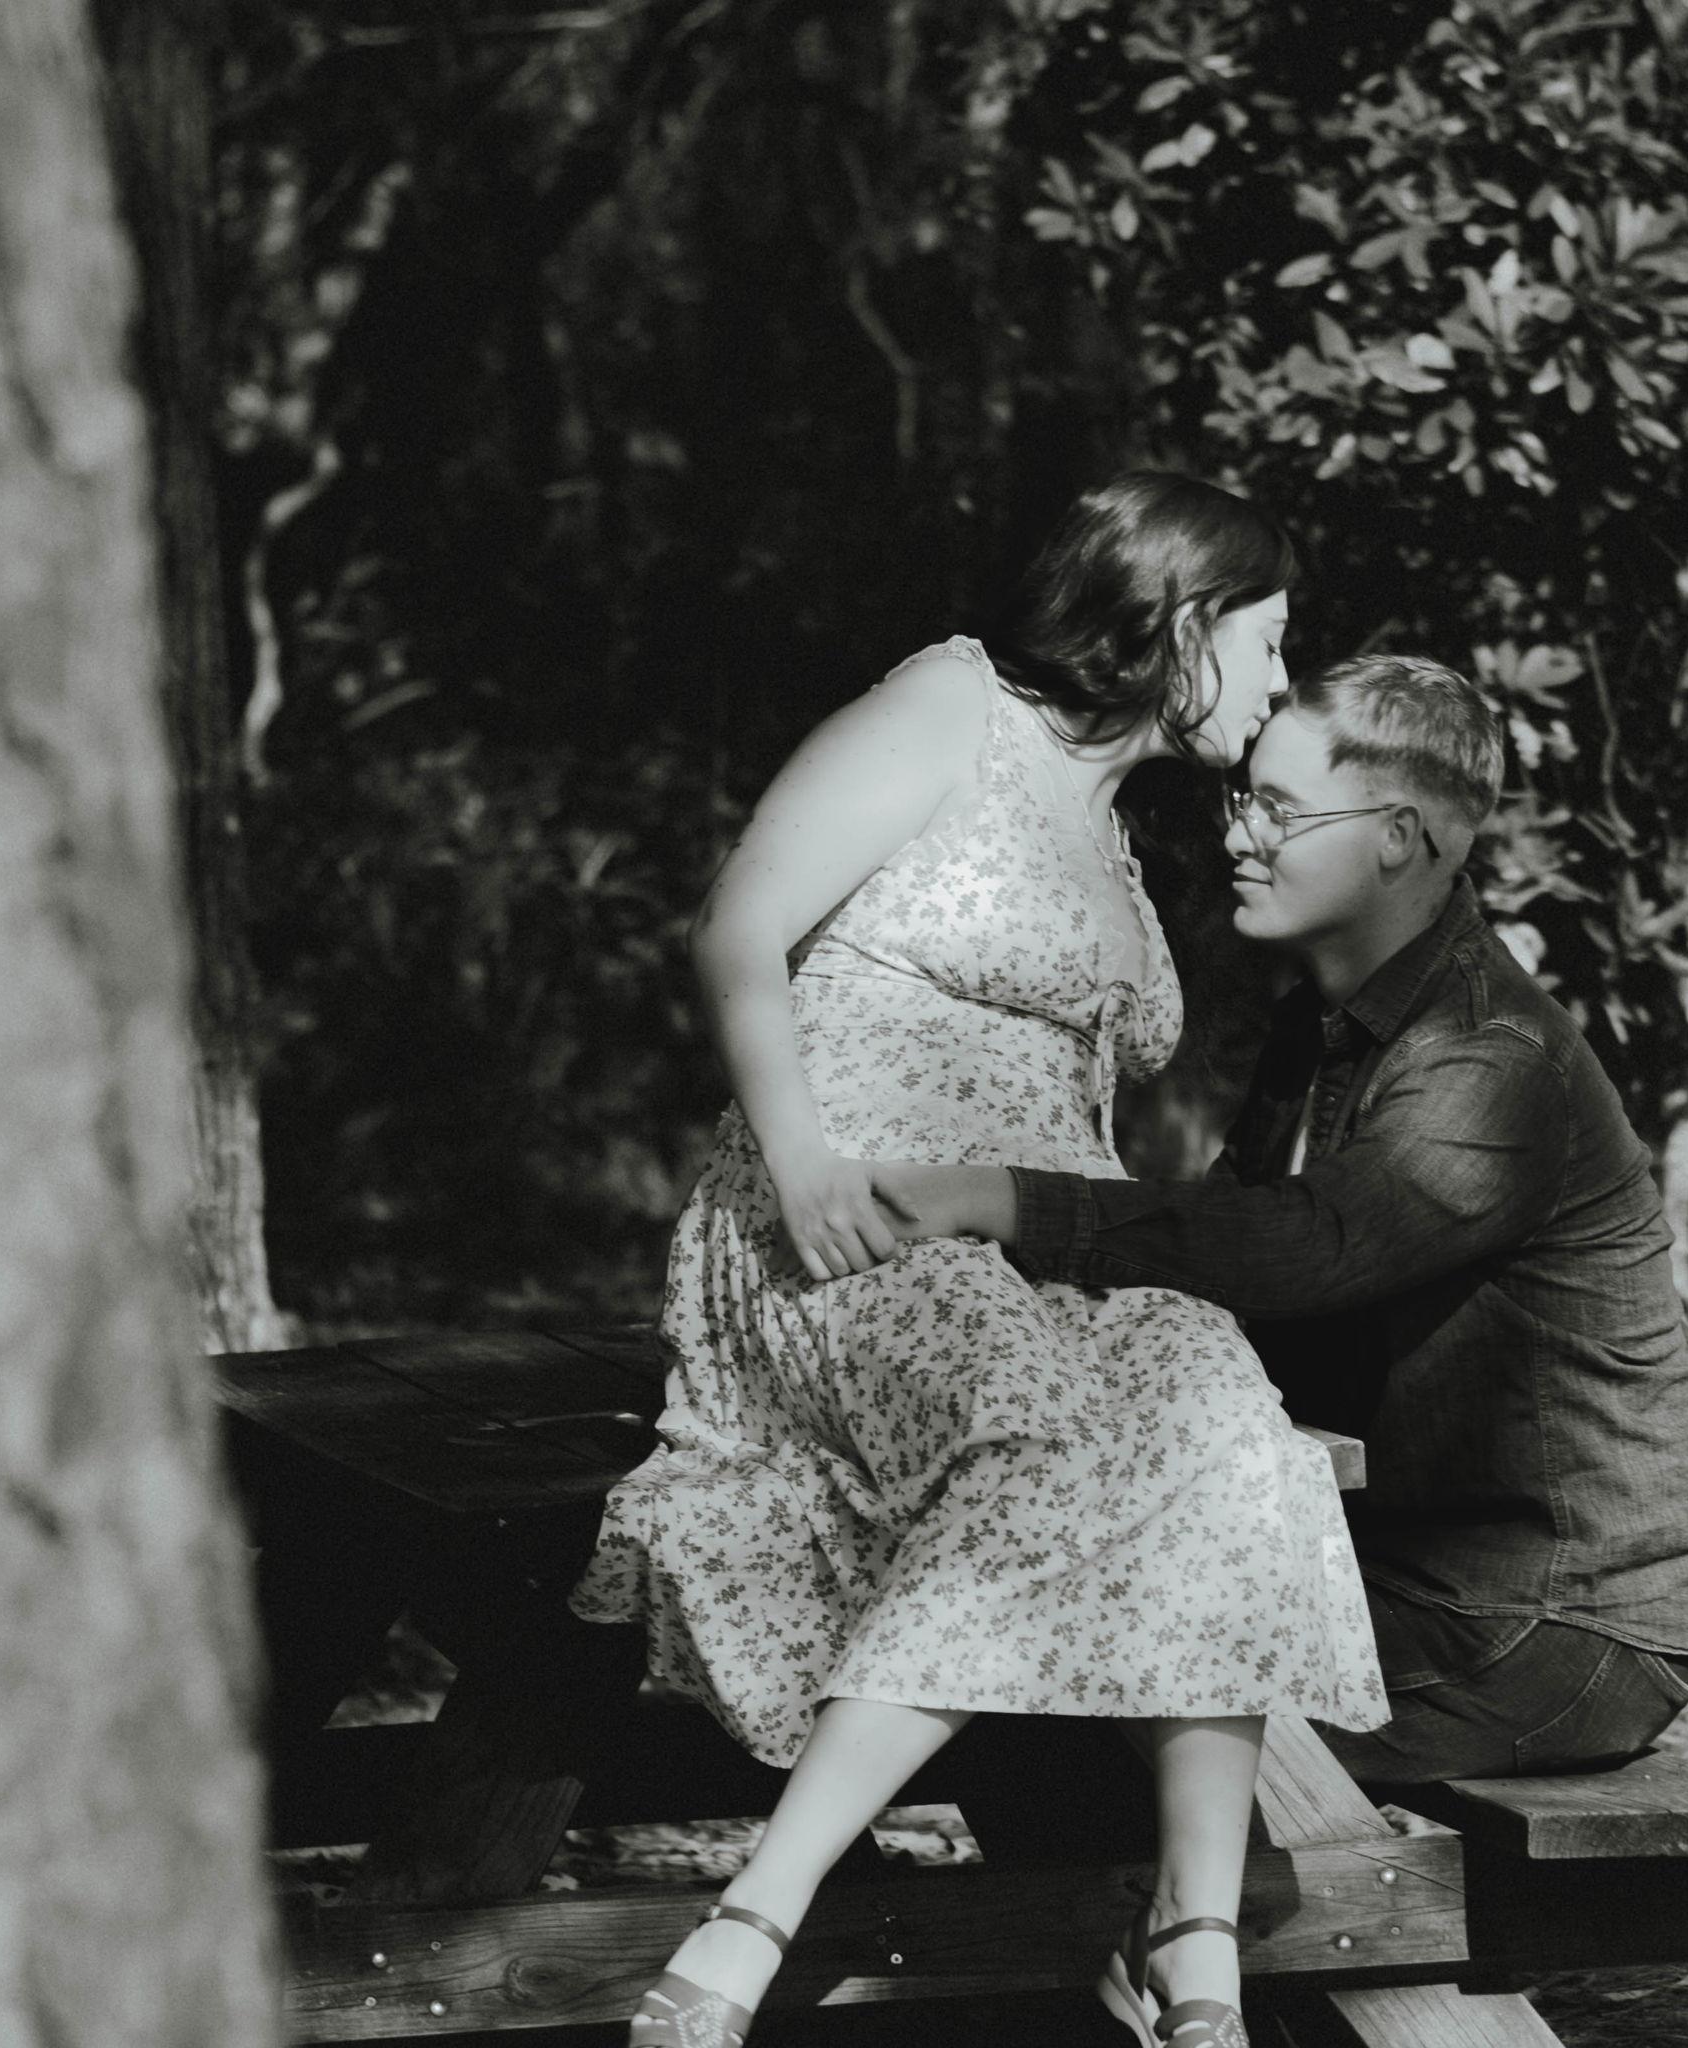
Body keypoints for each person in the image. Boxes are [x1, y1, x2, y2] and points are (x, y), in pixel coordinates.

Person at [570, 474, 1388, 2048]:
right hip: (846, 1209)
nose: (1283, 680)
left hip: (1045, 1238)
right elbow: (737, 926)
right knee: (1031, 1422)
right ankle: (757, 1910)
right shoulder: (954, 706)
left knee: (1230, 1419)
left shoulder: (1124, 838)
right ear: (1183, 621)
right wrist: (802, 1163)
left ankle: (1195, 1944)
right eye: (1271, 640)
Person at [876, 652, 1688, 1790]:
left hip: (1552, 1621)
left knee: (1066, 1685)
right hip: (1392, 1564)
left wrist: (1006, 1200)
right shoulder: (1319, 1029)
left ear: (1396, 836)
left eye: (1279, 809)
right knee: (1020, 1627)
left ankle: (1201, 1909)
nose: (1239, 834)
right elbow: (1221, 1266)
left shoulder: (1492, 1062)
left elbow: (1303, 1244)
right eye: (1245, 797)